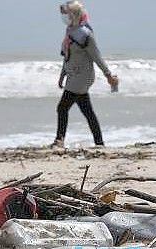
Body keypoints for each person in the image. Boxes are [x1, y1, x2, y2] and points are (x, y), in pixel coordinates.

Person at [52, 1, 118, 149]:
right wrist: (62, 75)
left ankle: (59, 140)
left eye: (67, 14)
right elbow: (67, 56)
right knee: (87, 110)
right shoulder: (70, 31)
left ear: (74, 15)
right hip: (73, 75)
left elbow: (97, 56)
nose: (65, 17)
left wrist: (108, 75)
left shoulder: (85, 34)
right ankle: (99, 142)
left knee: (62, 108)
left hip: (82, 76)